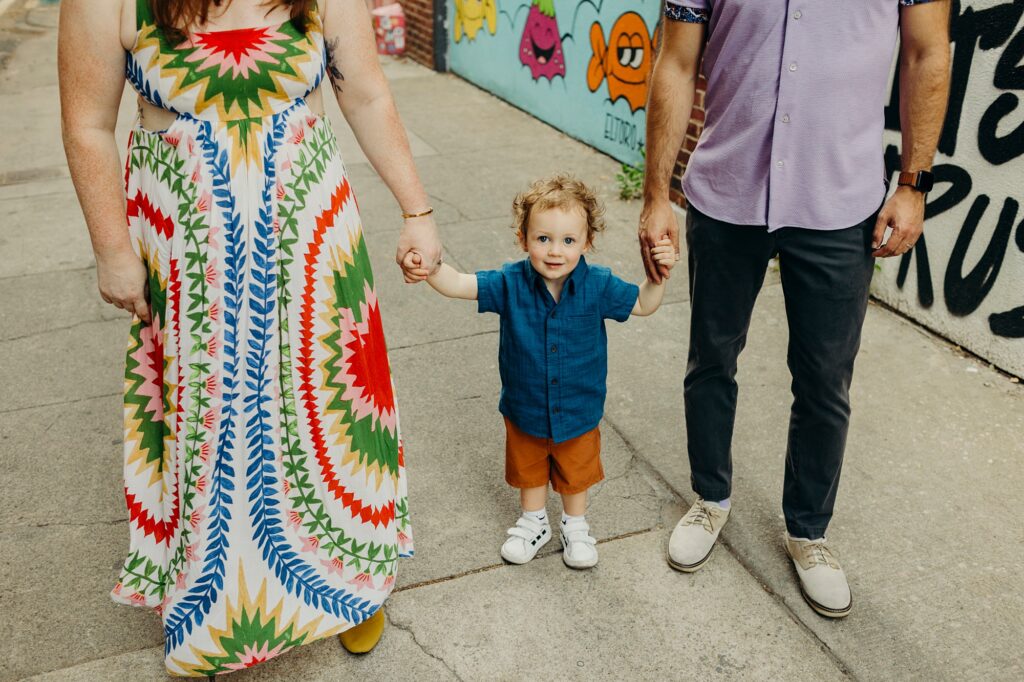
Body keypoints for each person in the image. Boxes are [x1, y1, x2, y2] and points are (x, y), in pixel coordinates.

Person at [59, 0, 442, 673]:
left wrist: (417, 210)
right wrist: (111, 248)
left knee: (331, 409)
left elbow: (368, 93)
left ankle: (354, 586)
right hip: (190, 256)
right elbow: (87, 124)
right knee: (212, 424)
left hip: (313, 242)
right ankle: (218, 615)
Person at [640, 0, 951, 618]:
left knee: (824, 381)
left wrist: (913, 185)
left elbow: (928, 51)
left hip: (841, 201)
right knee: (711, 360)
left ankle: (808, 531)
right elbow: (674, 60)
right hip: (726, 195)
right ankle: (710, 497)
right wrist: (656, 196)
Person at [404, 174, 676, 568]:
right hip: (525, 405)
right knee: (529, 469)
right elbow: (458, 284)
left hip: (579, 407)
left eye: (568, 241)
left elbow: (643, 305)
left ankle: (575, 525)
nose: (555, 251)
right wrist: (428, 265)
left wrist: (657, 278)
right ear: (523, 238)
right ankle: (534, 522)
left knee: (575, 472)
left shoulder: (597, 285)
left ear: (587, 243)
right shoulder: (510, 282)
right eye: (543, 238)